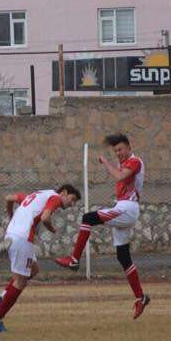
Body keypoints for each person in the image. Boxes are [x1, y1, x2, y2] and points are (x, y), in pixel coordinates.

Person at [55, 133, 150, 319]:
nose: (118, 154)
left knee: (88, 217)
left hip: (128, 208)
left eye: (120, 149)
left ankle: (74, 259)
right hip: (122, 207)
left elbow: (120, 177)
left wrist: (106, 163)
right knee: (123, 257)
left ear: (129, 147)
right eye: (115, 151)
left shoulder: (135, 161)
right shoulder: (125, 162)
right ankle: (141, 297)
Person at [0, 186, 81, 332]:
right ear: (64, 193)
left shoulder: (37, 194)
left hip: (12, 233)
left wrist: (11, 216)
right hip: (23, 237)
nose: (72, 204)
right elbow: (45, 217)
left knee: (34, 269)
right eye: (72, 199)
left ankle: (3, 295)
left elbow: (9, 198)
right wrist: (52, 229)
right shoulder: (55, 197)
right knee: (20, 282)